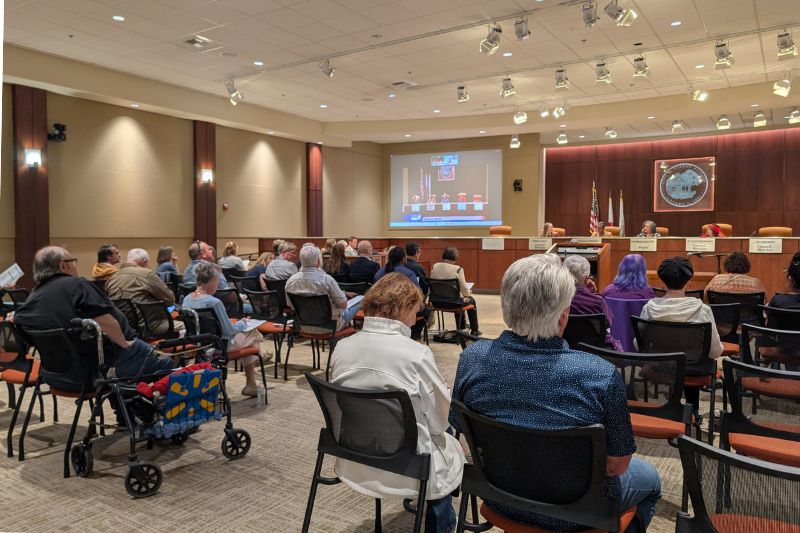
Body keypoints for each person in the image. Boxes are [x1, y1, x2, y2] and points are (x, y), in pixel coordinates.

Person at [449, 254, 661, 532]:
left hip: (501, 496)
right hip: (579, 511)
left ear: (506, 307)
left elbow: (458, 425)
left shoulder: (473, 358)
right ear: (564, 316)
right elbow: (618, 465)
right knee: (651, 480)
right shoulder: (600, 374)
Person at [330, 273, 464, 533]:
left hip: (353, 455)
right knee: (449, 439)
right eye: (415, 310)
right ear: (402, 308)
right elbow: (439, 423)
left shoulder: (342, 347)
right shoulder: (416, 354)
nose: (416, 318)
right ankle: (443, 524)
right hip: (407, 465)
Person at [14, 246, 176, 398]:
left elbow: (22, 328)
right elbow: (107, 322)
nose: (75, 266)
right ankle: (142, 418)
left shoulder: (33, 296)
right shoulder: (77, 286)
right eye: (73, 261)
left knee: (127, 362)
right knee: (166, 364)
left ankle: (126, 418)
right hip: (93, 375)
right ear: (63, 266)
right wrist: (124, 343)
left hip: (57, 377)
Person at [640, 257, 724, 410]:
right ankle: (693, 412)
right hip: (694, 368)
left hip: (660, 366)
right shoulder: (703, 310)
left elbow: (638, 344)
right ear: (688, 282)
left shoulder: (649, 308)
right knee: (689, 359)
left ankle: (672, 410)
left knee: (676, 360)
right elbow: (715, 351)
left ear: (662, 282)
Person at [181, 262, 263, 397]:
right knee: (252, 334)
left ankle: (252, 382)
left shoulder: (187, 299)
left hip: (199, 344)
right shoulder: (214, 302)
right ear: (213, 280)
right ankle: (251, 383)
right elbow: (228, 331)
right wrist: (242, 323)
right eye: (218, 280)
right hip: (220, 346)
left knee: (249, 336)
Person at [286, 245, 361, 333]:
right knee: (361, 299)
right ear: (318, 261)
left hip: (305, 326)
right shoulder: (327, 280)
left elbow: (290, 305)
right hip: (331, 326)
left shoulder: (290, 281)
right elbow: (343, 305)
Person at [563, 255, 622, 350]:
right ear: (586, 278)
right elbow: (608, 323)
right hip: (595, 350)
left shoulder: (556, 299)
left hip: (565, 348)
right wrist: (592, 294)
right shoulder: (597, 301)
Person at [430, 247, 480, 336]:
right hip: (453, 304)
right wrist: (468, 293)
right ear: (455, 257)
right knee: (470, 299)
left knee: (458, 298)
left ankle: (461, 328)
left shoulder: (435, 266)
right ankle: (474, 330)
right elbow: (464, 290)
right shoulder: (458, 269)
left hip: (436, 302)